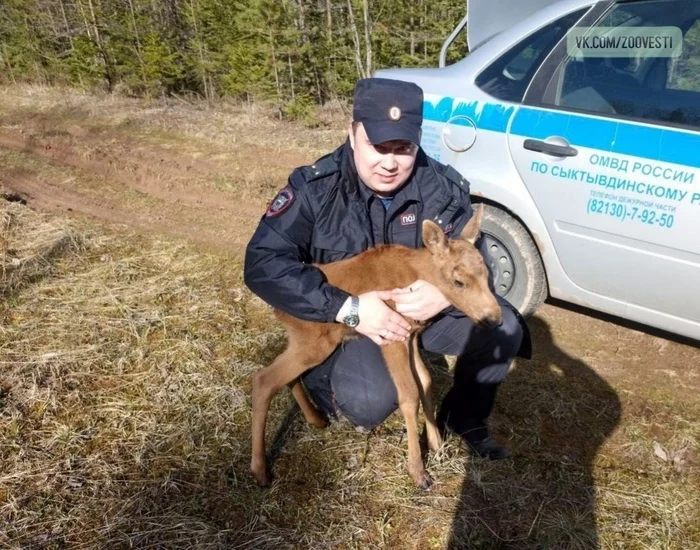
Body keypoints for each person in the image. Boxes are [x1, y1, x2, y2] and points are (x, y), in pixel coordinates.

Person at [244, 77, 531, 460]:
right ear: (352, 134)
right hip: (342, 317)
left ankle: (465, 417)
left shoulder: (442, 188)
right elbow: (263, 264)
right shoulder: (316, 189)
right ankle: (320, 382)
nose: (390, 162)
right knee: (369, 402)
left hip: (422, 312)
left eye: (403, 148)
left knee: (504, 329)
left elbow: (471, 257)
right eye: (378, 147)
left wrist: (441, 295)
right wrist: (349, 308)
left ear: (418, 141)